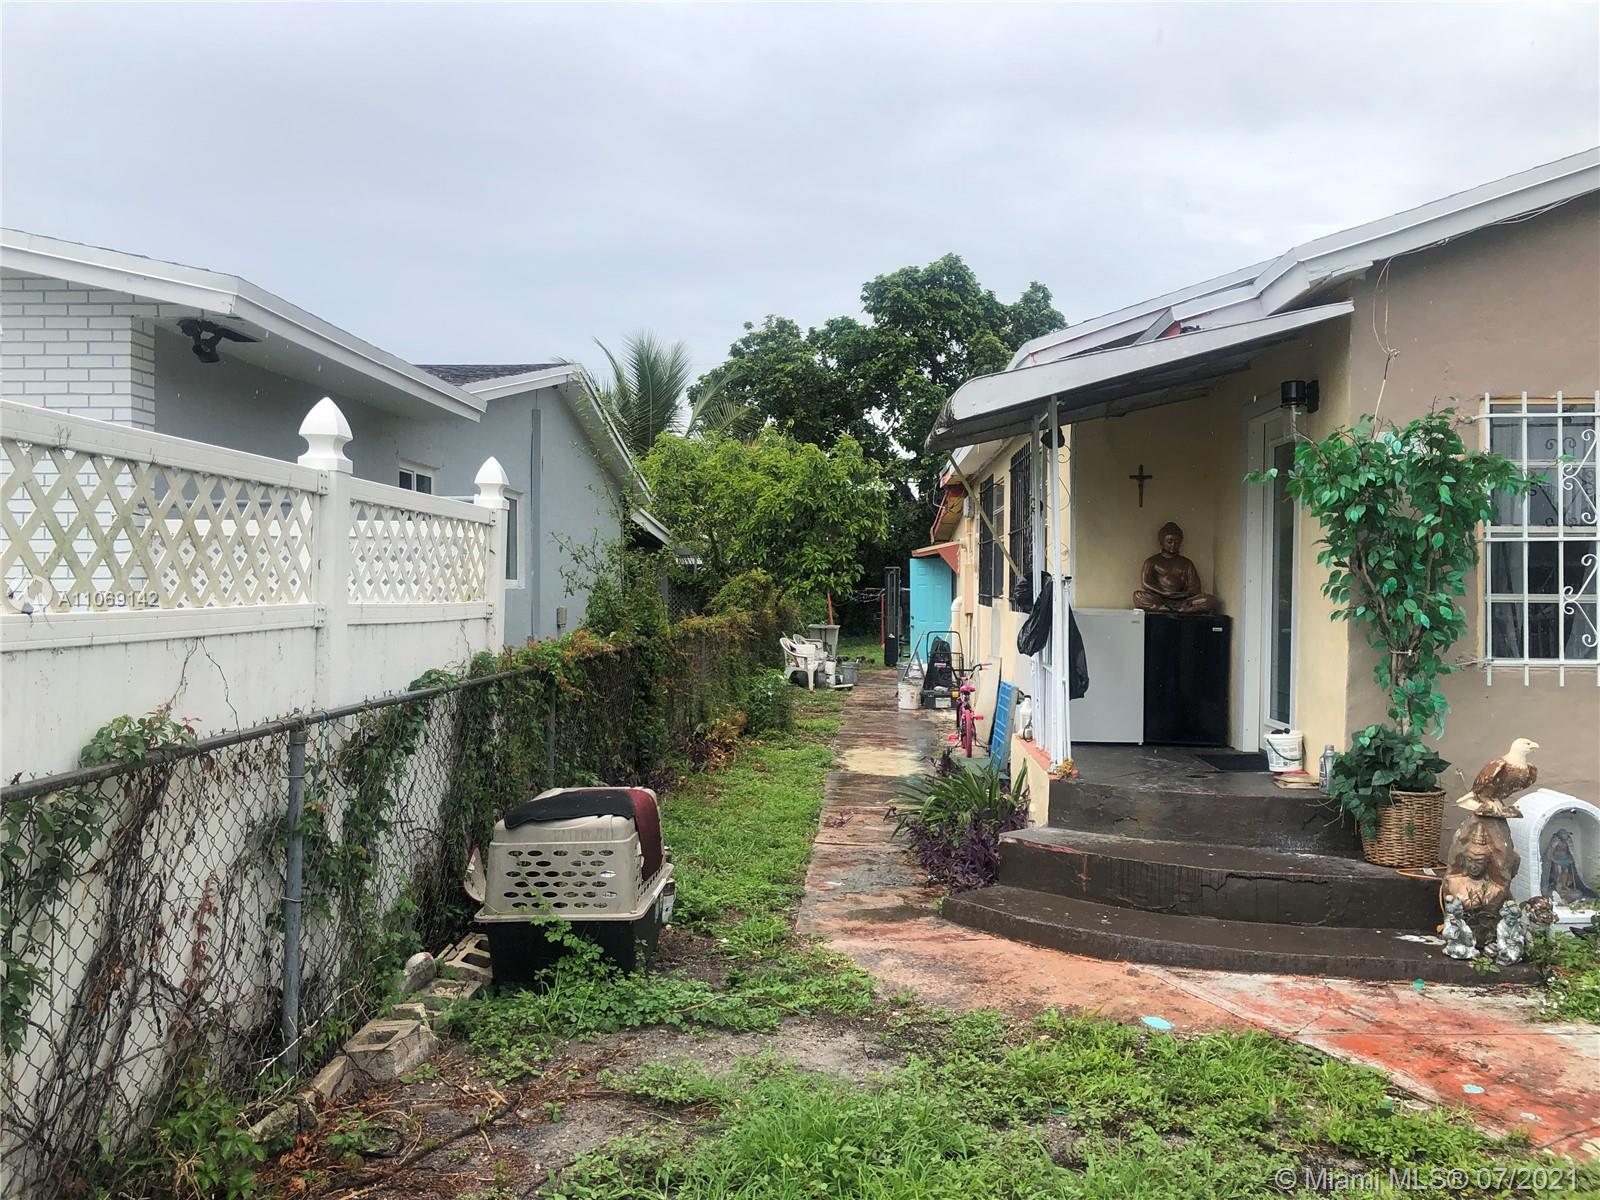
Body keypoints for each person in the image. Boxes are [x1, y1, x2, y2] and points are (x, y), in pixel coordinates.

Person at [1132, 522, 1219, 614]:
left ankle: (1177, 609)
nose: (1173, 545)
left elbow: (1195, 589)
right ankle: (1165, 608)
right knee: (1138, 596)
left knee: (1210, 600)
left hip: (1182, 601)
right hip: (1160, 599)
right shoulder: (1152, 561)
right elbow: (1146, 584)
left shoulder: (1186, 563)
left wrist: (1180, 595)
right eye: (1169, 542)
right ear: (1161, 542)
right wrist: (1164, 593)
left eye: (1177, 542)